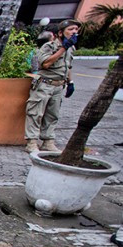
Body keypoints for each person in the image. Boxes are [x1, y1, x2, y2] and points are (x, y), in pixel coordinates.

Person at [24, 19, 80, 154]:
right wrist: (62, 49)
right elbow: (46, 64)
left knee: (52, 115)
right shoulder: (49, 47)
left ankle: (48, 141)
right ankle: (31, 142)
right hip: (44, 84)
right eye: (71, 29)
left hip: (58, 86)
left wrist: (70, 82)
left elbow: (68, 66)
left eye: (76, 30)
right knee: (35, 113)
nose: (74, 32)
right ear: (60, 33)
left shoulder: (71, 48)